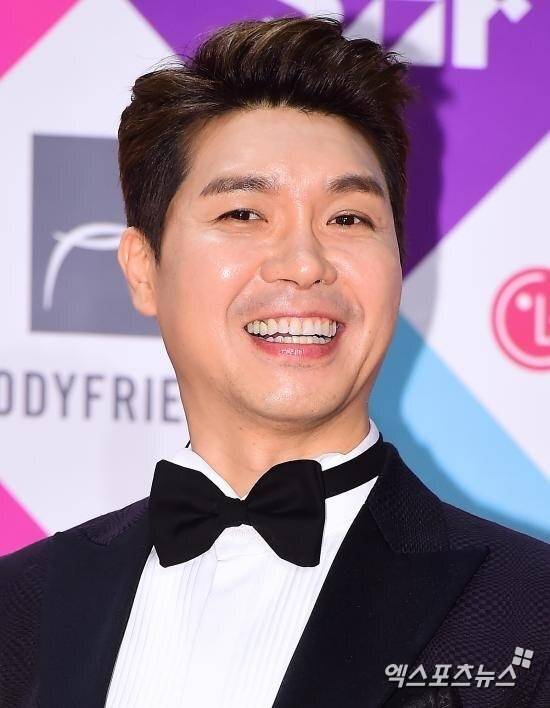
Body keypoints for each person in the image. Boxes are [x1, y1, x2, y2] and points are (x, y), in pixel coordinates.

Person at [1, 15, 549, 708]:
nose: (304, 263)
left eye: (348, 219)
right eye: (243, 214)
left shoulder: (528, 611)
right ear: (143, 270)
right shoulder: (19, 608)